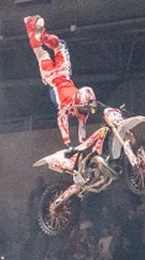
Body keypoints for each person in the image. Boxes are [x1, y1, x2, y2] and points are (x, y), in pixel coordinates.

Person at [25, 16, 97, 156]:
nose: (84, 112)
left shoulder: (80, 105)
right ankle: (34, 32)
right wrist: (71, 144)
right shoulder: (67, 106)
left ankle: (38, 33)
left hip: (62, 73)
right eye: (84, 109)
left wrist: (76, 145)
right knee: (41, 53)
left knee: (59, 46)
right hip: (52, 78)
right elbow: (70, 124)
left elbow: (70, 124)